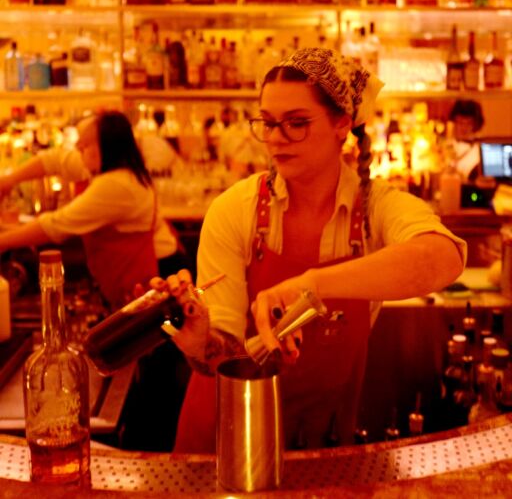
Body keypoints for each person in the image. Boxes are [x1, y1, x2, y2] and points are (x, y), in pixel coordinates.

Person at [153, 48, 467, 453]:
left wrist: (313, 285)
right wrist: (198, 343)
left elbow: (444, 257)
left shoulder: (375, 208)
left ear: (342, 124)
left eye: (296, 124)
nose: (276, 140)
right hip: (228, 433)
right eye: (267, 124)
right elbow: (223, 357)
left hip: (322, 437)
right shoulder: (236, 210)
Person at [0, 110, 191, 451]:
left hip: (161, 277)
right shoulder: (101, 167)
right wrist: (7, 181)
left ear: (108, 146)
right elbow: (54, 159)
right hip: (142, 277)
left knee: (159, 377)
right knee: (145, 367)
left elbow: (57, 225)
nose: (80, 151)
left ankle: (151, 453)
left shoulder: (115, 183)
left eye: (87, 144)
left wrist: (2, 239)